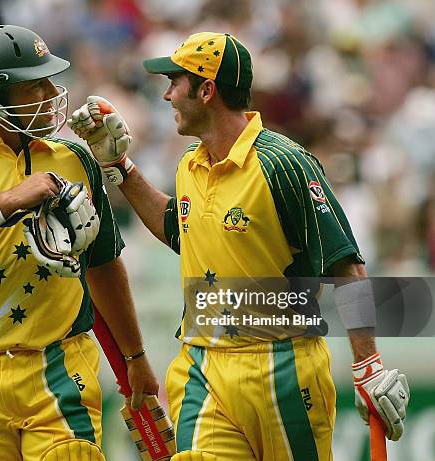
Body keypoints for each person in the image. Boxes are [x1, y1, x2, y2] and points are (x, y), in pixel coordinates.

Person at [68, 32, 410, 460]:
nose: (167, 95)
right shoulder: (189, 163)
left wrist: (367, 364)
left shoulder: (283, 163)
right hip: (203, 367)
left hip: (283, 367)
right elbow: (178, 229)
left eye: (175, 82)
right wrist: (120, 166)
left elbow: (348, 268)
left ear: (206, 90)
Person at [0, 25, 157, 461]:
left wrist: (134, 357)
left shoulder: (75, 157)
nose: (49, 92)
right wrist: (7, 202)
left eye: (48, 80)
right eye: (32, 85)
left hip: (61, 365)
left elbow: (103, 265)